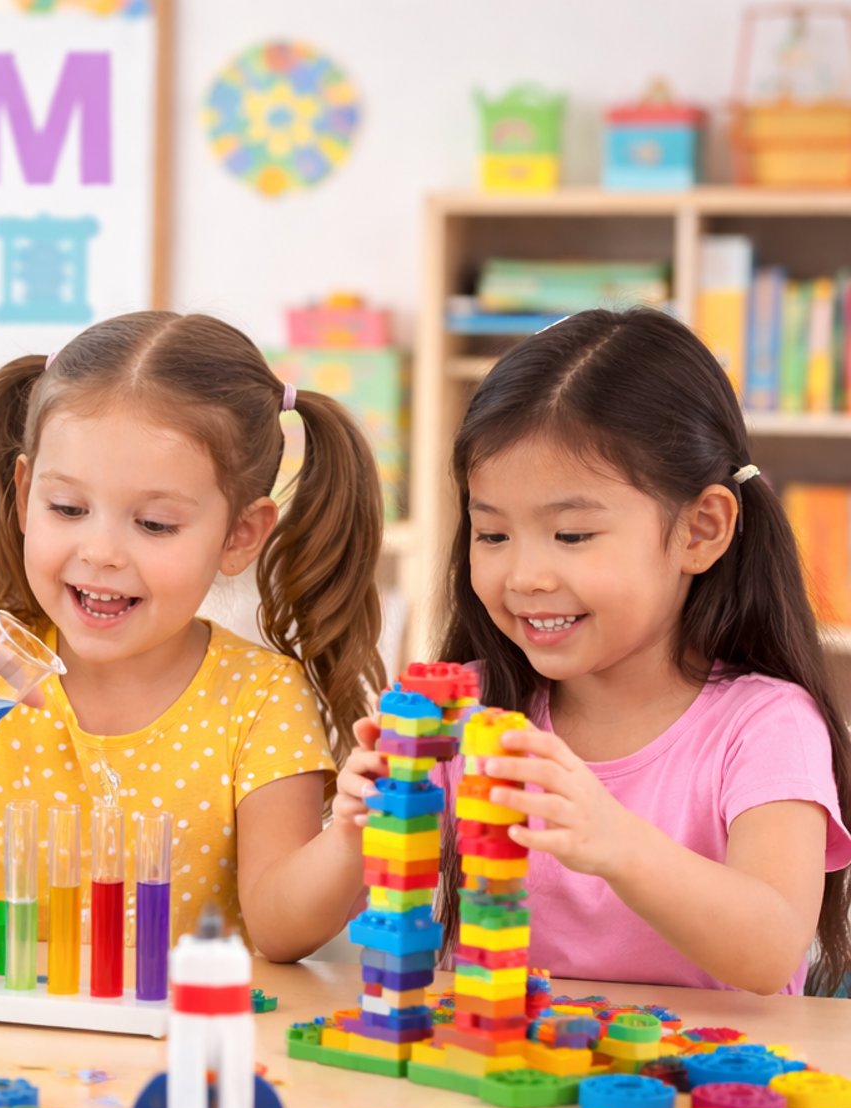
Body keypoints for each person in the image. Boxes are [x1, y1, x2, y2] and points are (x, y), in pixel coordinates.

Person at [0, 311, 387, 960]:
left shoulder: (261, 697)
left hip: (171, 1020)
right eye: (68, 509)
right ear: (24, 494)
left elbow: (279, 930)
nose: (101, 553)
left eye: (154, 523)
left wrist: (348, 835)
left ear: (240, 535)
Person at [336, 307, 851, 994]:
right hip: (494, 1057)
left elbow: (771, 951)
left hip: (701, 1063)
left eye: (572, 536)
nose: (525, 577)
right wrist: (353, 826)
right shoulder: (468, 712)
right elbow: (284, 932)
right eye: (493, 535)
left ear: (701, 530)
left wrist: (617, 842)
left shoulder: (766, 725)